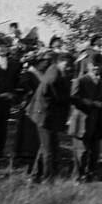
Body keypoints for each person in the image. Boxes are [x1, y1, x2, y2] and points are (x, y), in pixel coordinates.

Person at [29, 51, 73, 183]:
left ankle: (35, 176)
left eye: (70, 64)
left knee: (45, 146)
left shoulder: (56, 71)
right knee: (49, 149)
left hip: (47, 115)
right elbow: (51, 89)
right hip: (45, 115)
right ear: (59, 62)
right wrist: (66, 99)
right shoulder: (54, 72)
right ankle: (48, 179)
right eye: (67, 63)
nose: (69, 67)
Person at [69, 54, 102, 181]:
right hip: (82, 121)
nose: (96, 68)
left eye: (99, 65)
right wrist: (91, 103)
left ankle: (91, 174)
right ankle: (77, 177)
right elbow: (74, 98)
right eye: (94, 65)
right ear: (88, 66)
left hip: (97, 121)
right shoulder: (81, 80)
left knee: (95, 152)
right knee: (81, 151)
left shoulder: (101, 82)